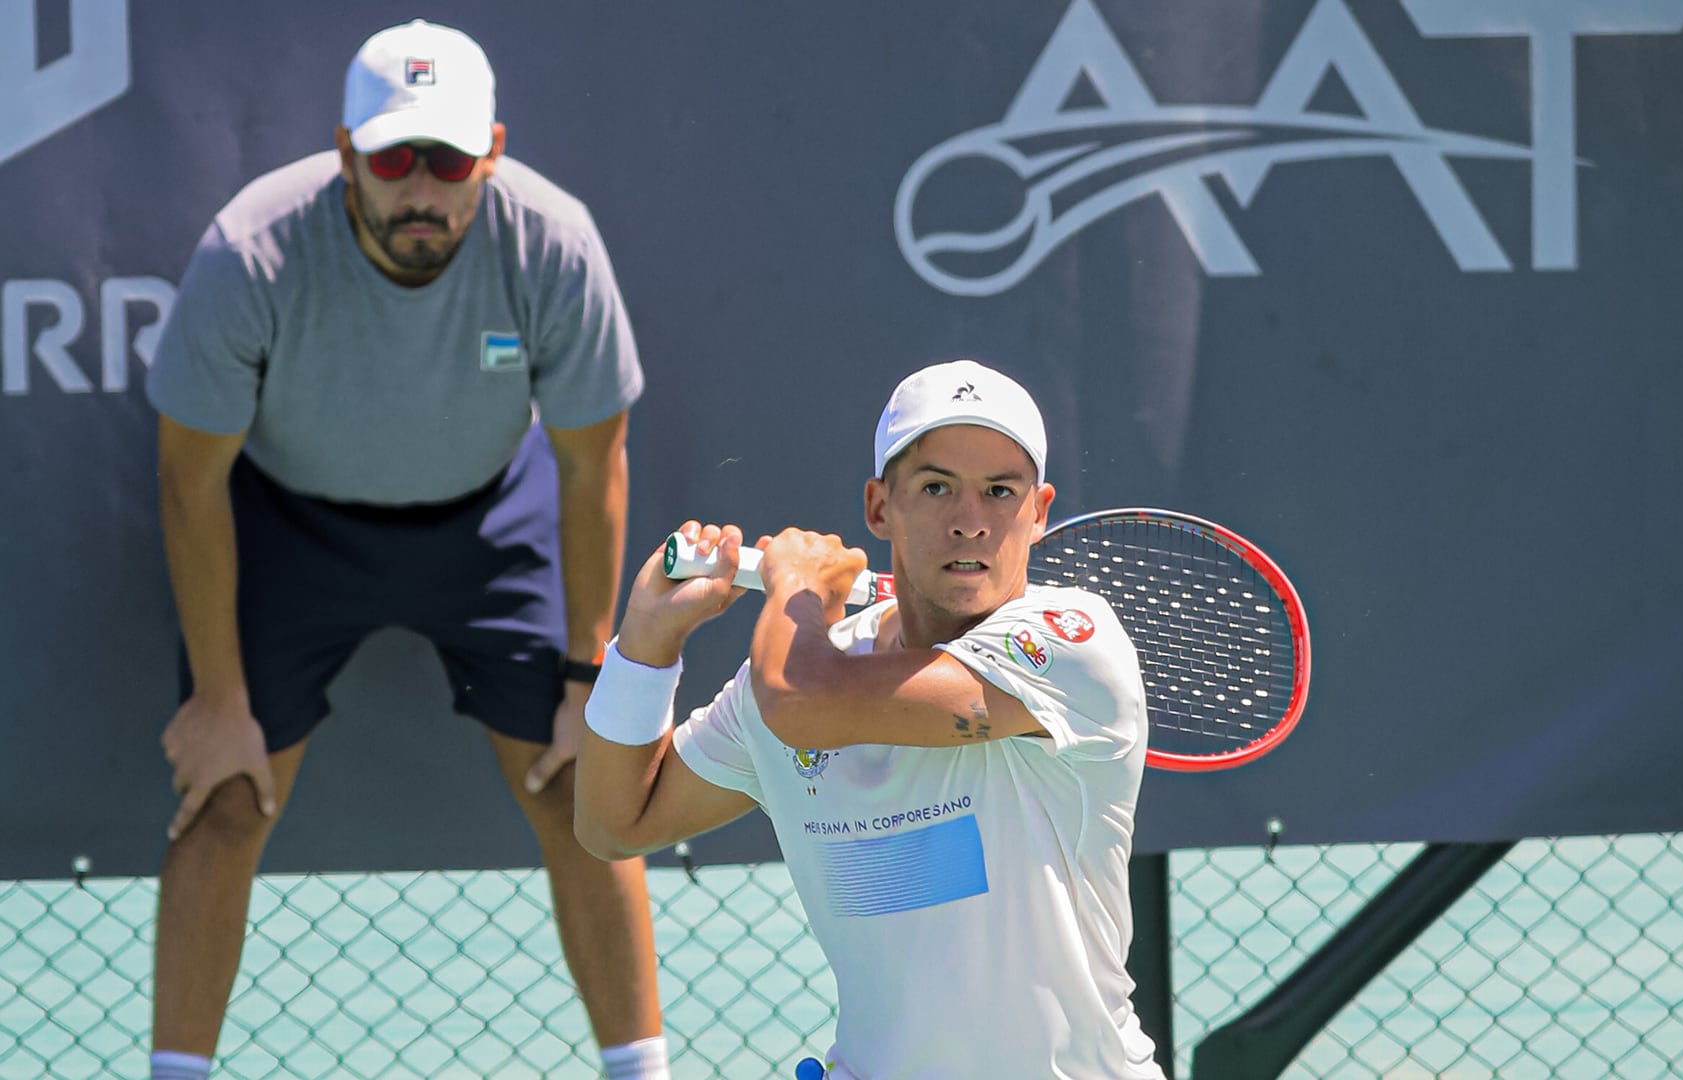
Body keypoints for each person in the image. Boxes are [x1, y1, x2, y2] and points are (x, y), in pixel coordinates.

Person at [144, 21, 668, 1080]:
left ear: (493, 152)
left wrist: (586, 677)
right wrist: (217, 700)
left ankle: (642, 1073)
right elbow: (190, 482)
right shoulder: (251, 250)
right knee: (226, 800)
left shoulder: (552, 242)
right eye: (393, 159)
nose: (421, 188)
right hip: (286, 527)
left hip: (493, 516)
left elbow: (590, 463)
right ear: (346, 153)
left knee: (584, 793)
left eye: (448, 159)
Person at [574, 359, 1167, 1079]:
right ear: (880, 507)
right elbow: (613, 823)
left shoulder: (1073, 644)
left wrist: (794, 591)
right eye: (936, 486)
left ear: (1038, 510)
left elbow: (801, 701)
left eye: (999, 492)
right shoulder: (795, 670)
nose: (969, 521)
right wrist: (643, 647)